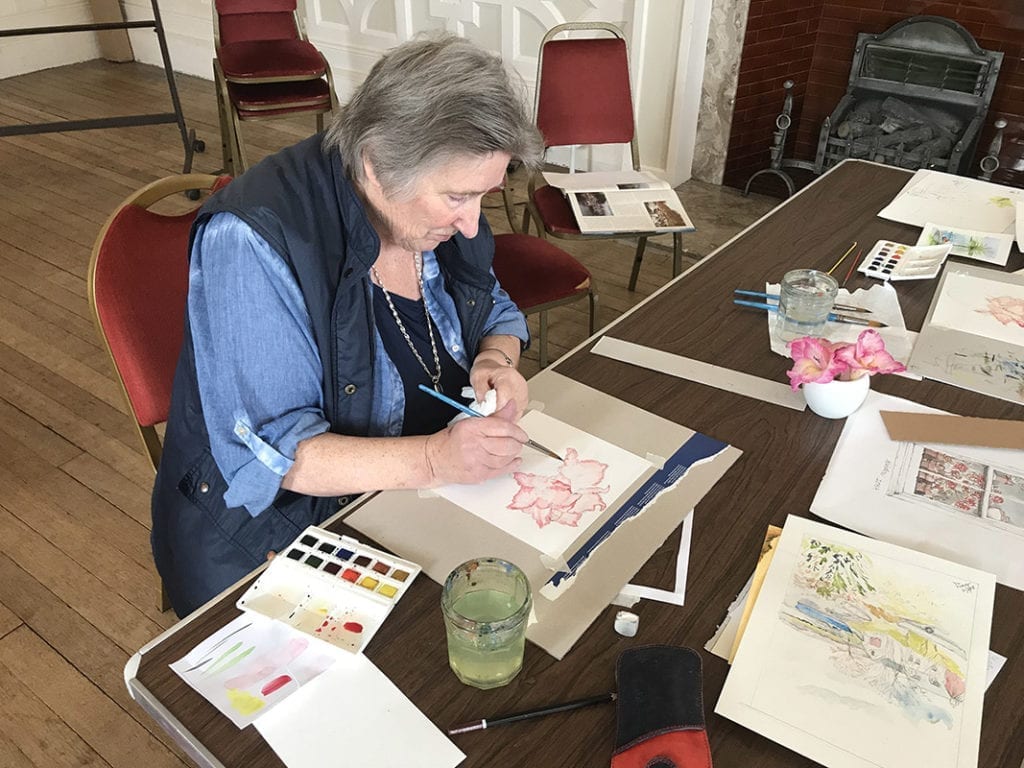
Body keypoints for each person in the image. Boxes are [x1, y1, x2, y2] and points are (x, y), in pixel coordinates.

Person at [152, 34, 545, 617]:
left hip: (412, 500)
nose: (471, 224)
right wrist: (435, 460)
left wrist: (497, 358)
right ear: (376, 166)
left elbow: (492, 302)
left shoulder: (431, 208)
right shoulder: (252, 240)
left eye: (485, 194)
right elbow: (277, 453)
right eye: (458, 197)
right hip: (274, 537)